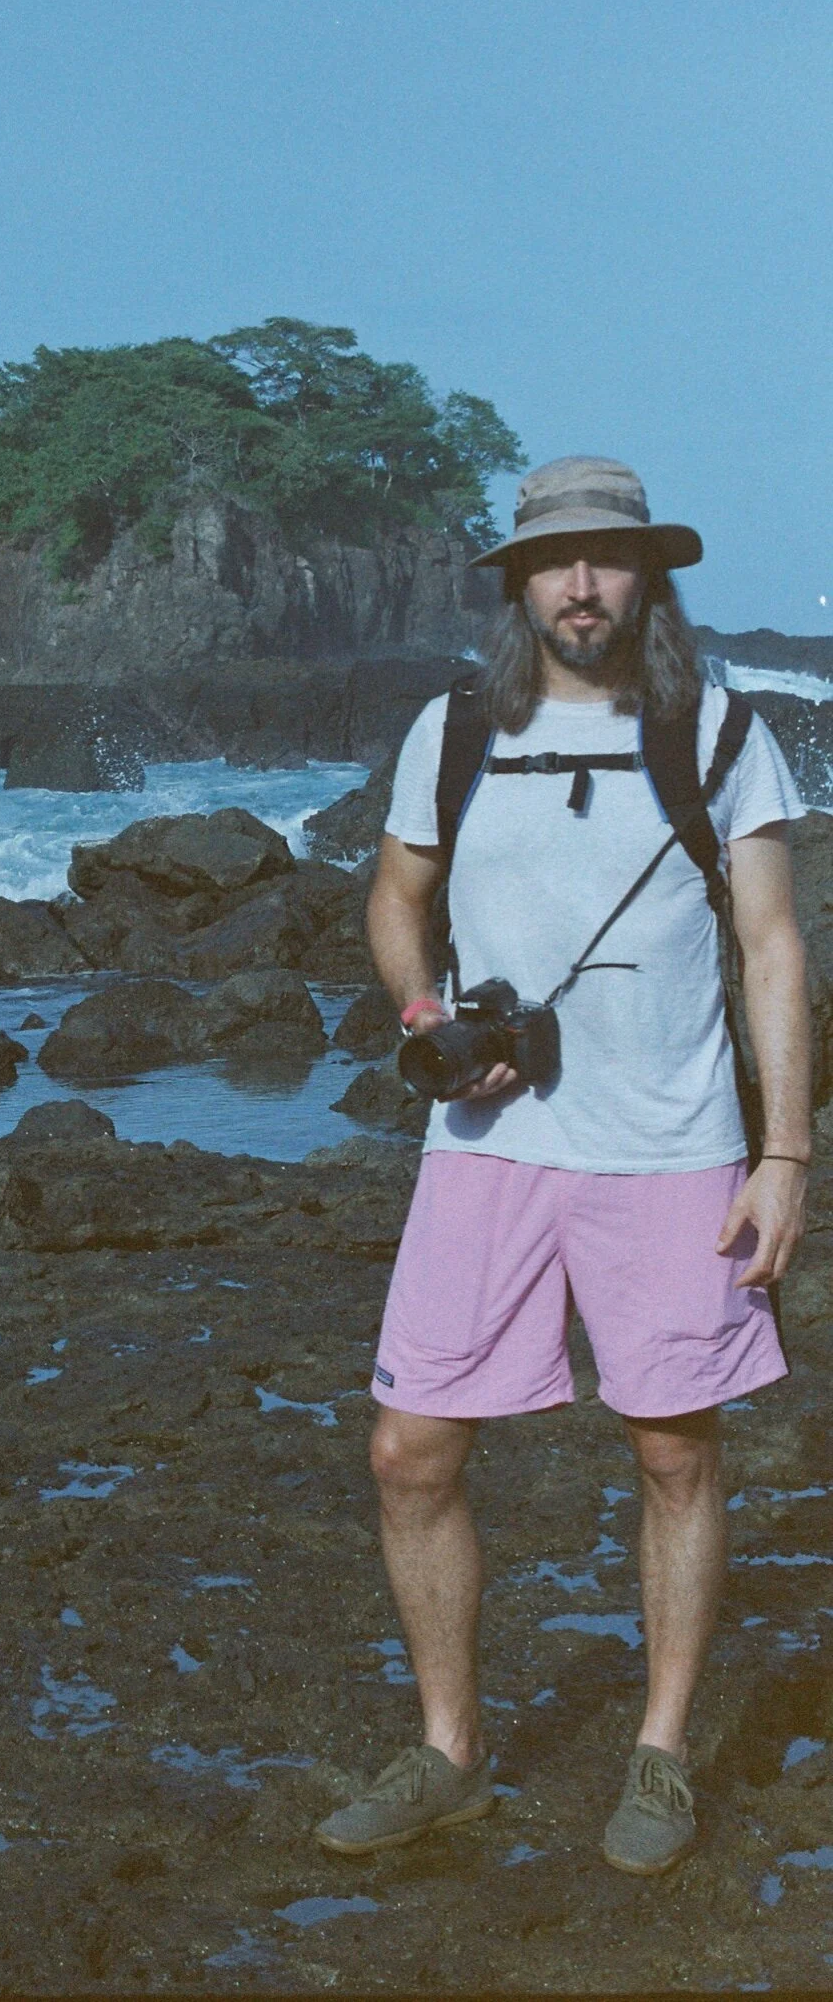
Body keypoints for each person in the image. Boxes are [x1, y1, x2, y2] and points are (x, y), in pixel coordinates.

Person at [313, 455, 812, 1877]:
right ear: (518, 583)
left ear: (647, 575)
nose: (581, 587)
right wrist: (424, 1019)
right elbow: (396, 900)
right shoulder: (455, 730)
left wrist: (785, 1153)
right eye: (555, 564)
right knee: (409, 1450)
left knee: (673, 1450)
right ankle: (451, 1751)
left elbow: (773, 947)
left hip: (672, 1151)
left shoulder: (719, 733)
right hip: (486, 1149)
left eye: (607, 561)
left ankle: (658, 1756)